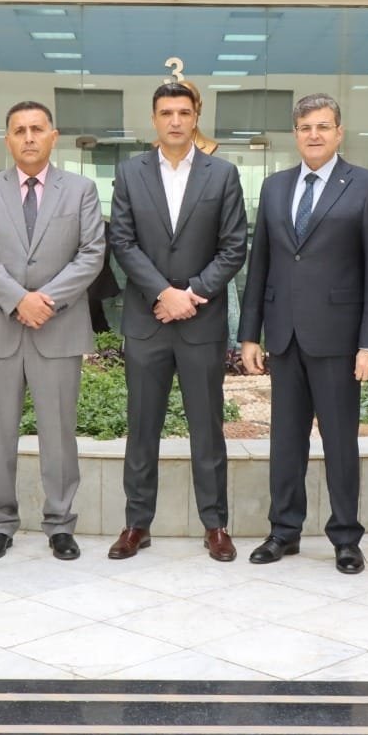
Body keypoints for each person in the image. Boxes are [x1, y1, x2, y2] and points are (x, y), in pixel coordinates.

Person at [238, 93, 368, 574]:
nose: (314, 135)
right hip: (284, 336)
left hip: (339, 339)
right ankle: (283, 531)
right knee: (286, 442)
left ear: (339, 132)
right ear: (295, 134)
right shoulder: (275, 187)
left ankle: (346, 537)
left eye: (323, 126)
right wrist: (249, 334)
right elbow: (260, 263)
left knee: (340, 443)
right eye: (306, 127)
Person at [107, 81, 248, 561]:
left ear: (195, 118)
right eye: (166, 112)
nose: (174, 121)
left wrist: (191, 294)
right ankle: (136, 524)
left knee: (207, 430)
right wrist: (162, 293)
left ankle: (215, 525)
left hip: (199, 324)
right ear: (154, 119)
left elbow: (234, 246)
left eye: (183, 112)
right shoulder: (130, 172)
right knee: (141, 428)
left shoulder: (222, 174)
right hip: (147, 322)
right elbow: (122, 242)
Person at [0, 101, 105, 561]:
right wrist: (17, 299)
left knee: (59, 434)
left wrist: (44, 300)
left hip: (57, 326)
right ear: (7, 139)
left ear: (52, 136)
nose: (28, 137)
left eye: (37, 129)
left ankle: (60, 524)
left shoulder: (81, 189)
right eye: (19, 130)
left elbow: (92, 253)